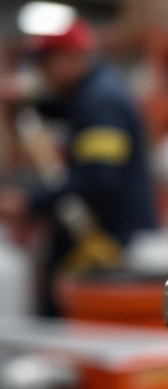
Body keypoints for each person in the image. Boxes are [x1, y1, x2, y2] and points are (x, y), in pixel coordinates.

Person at [0, 18, 156, 316]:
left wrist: (29, 203)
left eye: (47, 63)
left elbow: (98, 178)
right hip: (103, 235)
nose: (42, 73)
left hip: (109, 243)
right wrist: (29, 99)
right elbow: (67, 108)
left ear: (72, 58)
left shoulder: (101, 103)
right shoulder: (91, 93)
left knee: (66, 313)